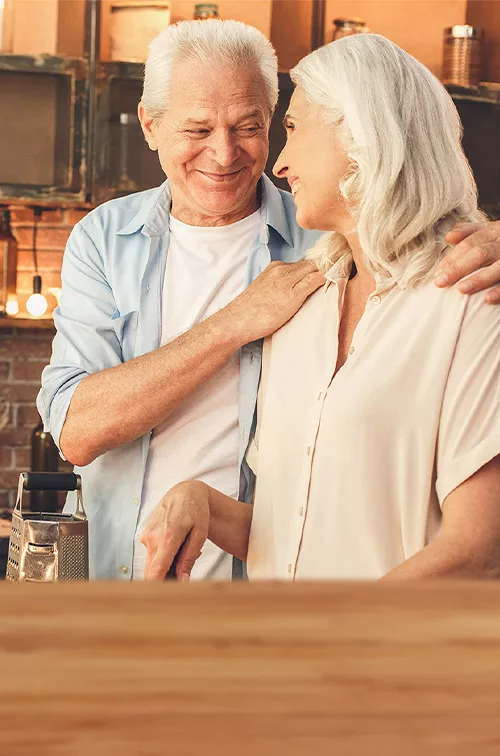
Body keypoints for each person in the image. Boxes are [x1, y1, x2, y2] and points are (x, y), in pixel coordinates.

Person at [37, 21, 500, 581]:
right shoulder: (106, 240)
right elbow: (78, 433)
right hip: (120, 577)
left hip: (279, 611)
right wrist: (234, 323)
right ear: (151, 126)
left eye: (254, 126)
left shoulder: (330, 250)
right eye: (198, 128)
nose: (225, 152)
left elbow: (471, 547)